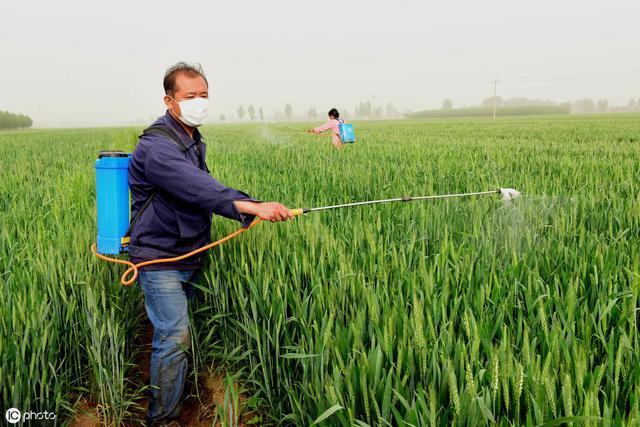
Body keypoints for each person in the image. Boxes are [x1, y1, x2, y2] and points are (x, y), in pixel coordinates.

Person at [128, 61, 294, 426]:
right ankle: (164, 419)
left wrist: (247, 209)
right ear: (169, 101)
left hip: (189, 252)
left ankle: (180, 396)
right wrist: (251, 207)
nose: (199, 102)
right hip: (159, 258)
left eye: (204, 95)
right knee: (174, 335)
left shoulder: (190, 139)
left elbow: (202, 191)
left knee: (176, 334)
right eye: (190, 96)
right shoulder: (157, 147)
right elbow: (198, 187)